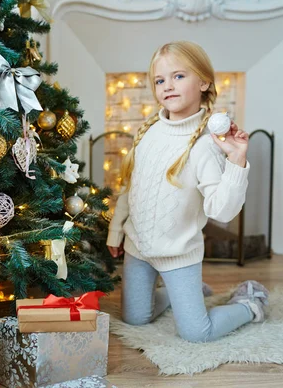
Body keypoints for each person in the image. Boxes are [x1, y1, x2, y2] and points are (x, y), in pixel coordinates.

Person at [106, 41, 269, 343]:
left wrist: (236, 160)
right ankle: (179, 295)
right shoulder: (149, 130)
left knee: (197, 333)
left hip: (178, 255)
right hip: (138, 250)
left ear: (204, 82)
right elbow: (131, 188)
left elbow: (222, 211)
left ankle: (249, 304)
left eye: (179, 76)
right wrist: (116, 232)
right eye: (160, 80)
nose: (168, 86)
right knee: (135, 319)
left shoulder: (206, 145)